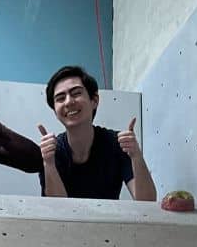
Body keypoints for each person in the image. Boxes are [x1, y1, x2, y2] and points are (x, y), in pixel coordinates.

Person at [37, 66, 157, 201]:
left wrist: (136, 155)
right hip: (68, 222)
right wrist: (49, 163)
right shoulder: (51, 152)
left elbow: (147, 202)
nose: (69, 102)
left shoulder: (117, 144)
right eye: (60, 98)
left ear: (94, 101)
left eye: (76, 93)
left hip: (109, 221)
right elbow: (57, 211)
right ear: (55, 112)